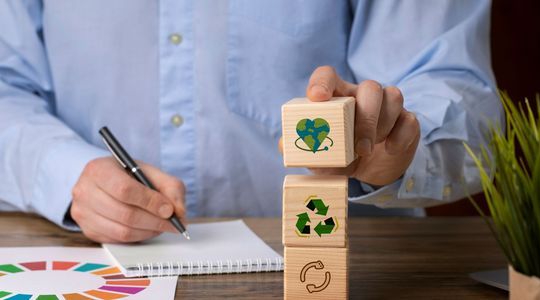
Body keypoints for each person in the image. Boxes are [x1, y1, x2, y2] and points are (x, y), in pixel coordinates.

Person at [0, 0, 502, 243]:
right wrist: (69, 174)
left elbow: (458, 93)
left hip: (354, 265)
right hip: (90, 262)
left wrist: (399, 148)